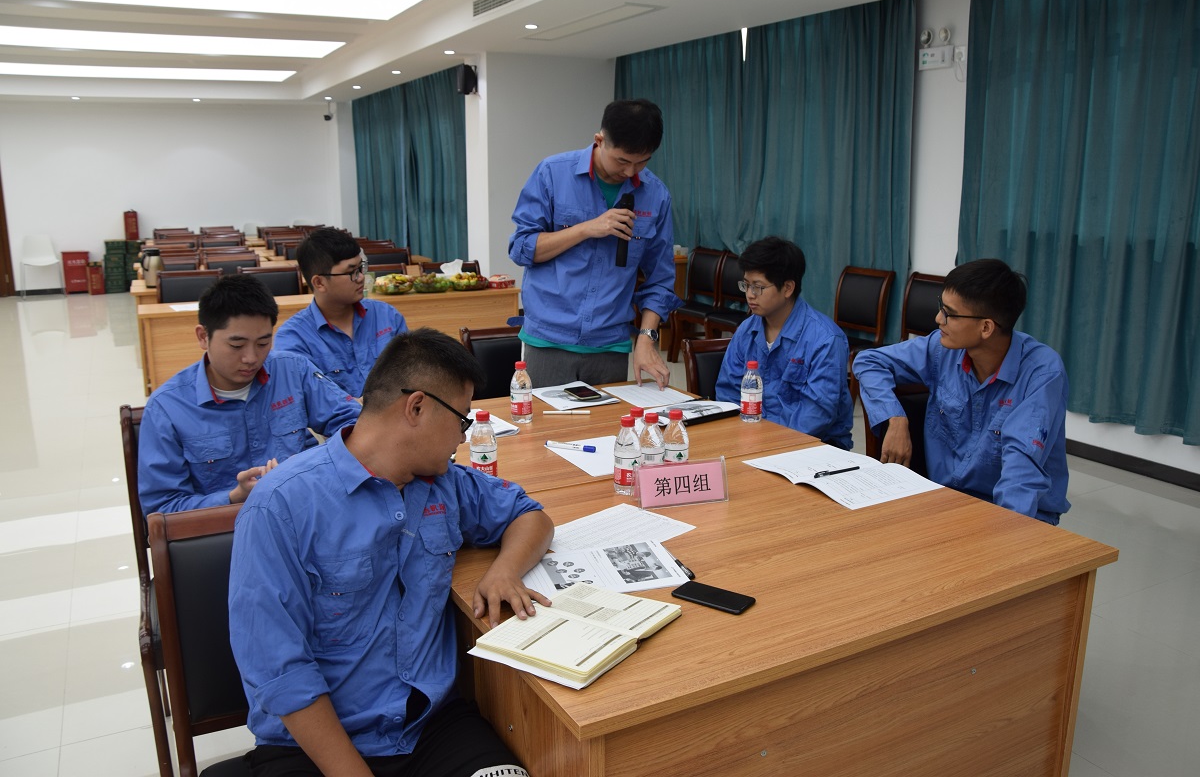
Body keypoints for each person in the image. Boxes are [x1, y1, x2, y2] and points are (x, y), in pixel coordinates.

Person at [229, 328, 554, 777]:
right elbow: (280, 672)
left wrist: (505, 571)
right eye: (461, 421)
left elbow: (530, 515)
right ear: (416, 407)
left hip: (430, 725)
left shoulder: (443, 482)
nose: (463, 438)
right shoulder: (281, 505)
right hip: (315, 746)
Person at [852, 258, 1070, 524]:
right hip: (943, 502)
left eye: (949, 314)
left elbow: (1020, 476)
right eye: (940, 307)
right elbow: (869, 361)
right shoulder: (941, 348)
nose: (938, 319)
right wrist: (895, 419)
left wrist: (1004, 538)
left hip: (1007, 513)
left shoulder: (1041, 373)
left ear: (986, 327)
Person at [138, 274, 361, 516]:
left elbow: (356, 423)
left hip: (305, 512)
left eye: (263, 343)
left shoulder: (293, 370)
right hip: (227, 528)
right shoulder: (167, 408)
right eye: (236, 345)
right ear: (203, 336)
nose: (251, 358)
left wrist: (316, 466)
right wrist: (234, 497)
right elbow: (162, 510)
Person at [509, 98, 682, 388]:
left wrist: (646, 338)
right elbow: (521, 247)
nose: (630, 172)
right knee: (542, 419)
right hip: (548, 341)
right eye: (622, 161)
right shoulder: (552, 173)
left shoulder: (656, 195)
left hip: (610, 345)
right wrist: (586, 229)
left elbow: (661, 280)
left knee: (610, 420)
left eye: (642, 162)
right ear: (599, 141)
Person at [713, 237, 853, 449]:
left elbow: (816, 416)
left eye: (758, 287)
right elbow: (728, 394)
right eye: (746, 285)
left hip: (813, 448)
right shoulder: (746, 331)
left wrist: (763, 443)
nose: (749, 295)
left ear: (787, 288)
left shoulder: (825, 340)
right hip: (751, 442)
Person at [274, 226, 408, 397]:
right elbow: (306, 400)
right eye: (351, 272)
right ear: (319, 283)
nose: (361, 278)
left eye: (361, 268)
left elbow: (411, 374)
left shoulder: (387, 315)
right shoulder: (294, 339)